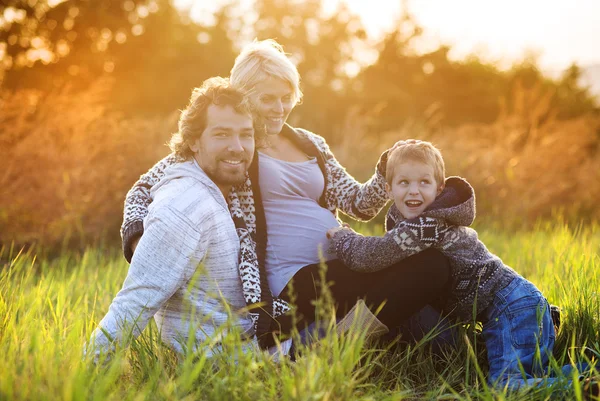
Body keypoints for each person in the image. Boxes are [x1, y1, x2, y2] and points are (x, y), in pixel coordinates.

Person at [121, 39, 451, 348]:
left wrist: (387, 169)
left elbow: (359, 205)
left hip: (345, 265)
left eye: (286, 96)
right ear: (244, 96)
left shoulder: (311, 144)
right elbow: (143, 189)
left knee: (434, 271)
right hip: (295, 287)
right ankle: (339, 347)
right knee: (416, 292)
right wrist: (138, 241)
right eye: (268, 99)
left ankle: (350, 339)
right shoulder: (232, 149)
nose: (280, 108)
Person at [327, 139, 558, 389]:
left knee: (508, 386)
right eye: (404, 182)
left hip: (512, 307)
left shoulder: (427, 225)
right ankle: (586, 376)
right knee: (529, 377)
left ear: (438, 189)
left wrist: (343, 238)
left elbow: (369, 257)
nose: (414, 191)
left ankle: (586, 384)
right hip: (506, 310)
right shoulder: (411, 220)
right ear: (388, 189)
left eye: (424, 182)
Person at [86, 78, 264, 361]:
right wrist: (83, 375)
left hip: (249, 346)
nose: (238, 147)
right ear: (193, 140)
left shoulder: (225, 191)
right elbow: (135, 301)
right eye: (222, 135)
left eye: (246, 134)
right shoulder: (186, 205)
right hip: (228, 364)